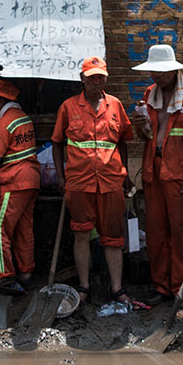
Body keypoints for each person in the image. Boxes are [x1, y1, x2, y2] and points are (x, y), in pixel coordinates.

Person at [130, 44, 183, 309]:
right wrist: (140, 126)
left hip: (181, 172)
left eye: (159, 72)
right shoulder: (149, 95)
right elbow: (146, 137)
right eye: (152, 71)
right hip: (154, 171)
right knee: (156, 233)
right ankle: (162, 286)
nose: (154, 76)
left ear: (172, 70)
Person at [51, 57, 135, 305]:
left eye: (101, 77)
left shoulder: (116, 105)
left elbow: (123, 141)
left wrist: (127, 174)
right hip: (78, 182)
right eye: (92, 77)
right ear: (82, 79)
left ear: (106, 78)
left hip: (110, 182)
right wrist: (60, 176)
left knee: (113, 237)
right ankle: (84, 286)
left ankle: (117, 288)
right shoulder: (68, 107)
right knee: (81, 233)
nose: (97, 82)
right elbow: (57, 143)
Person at [0, 79, 40, 291]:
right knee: (24, 228)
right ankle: (26, 272)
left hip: (14, 181)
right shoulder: (23, 118)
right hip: (31, 179)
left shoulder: (5, 122)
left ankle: (6, 276)